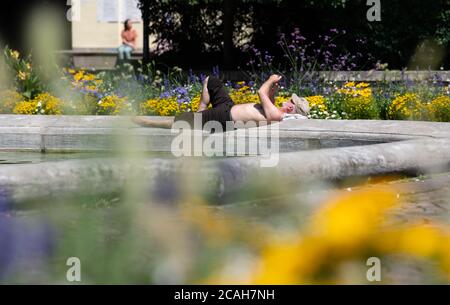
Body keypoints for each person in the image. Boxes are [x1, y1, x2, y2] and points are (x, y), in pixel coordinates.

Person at [132, 75, 310, 132]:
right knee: (211, 80)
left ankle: (149, 123)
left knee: (183, 120)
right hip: (228, 107)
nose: (288, 99)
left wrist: (270, 80)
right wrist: (273, 91)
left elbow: (261, 92)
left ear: (290, 107)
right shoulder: (276, 111)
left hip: (224, 118)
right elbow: (266, 102)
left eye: (290, 101)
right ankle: (199, 114)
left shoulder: (278, 115)